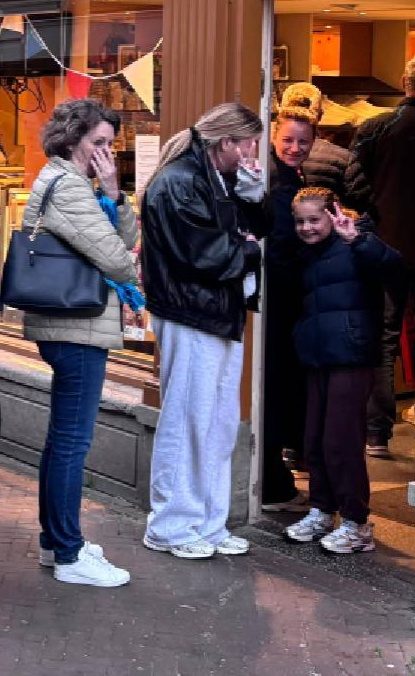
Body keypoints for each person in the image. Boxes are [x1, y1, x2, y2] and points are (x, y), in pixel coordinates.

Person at [19, 99, 141, 588]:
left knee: (63, 441)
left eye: (112, 145)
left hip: (75, 324)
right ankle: (68, 553)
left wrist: (115, 194)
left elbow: (124, 237)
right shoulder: (67, 186)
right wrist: (126, 252)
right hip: (75, 327)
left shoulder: (80, 183)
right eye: (98, 144)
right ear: (72, 140)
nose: (105, 155)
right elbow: (119, 258)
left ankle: (57, 542)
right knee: (72, 443)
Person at [139, 102, 267, 561]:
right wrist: (248, 250)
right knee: (189, 418)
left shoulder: (213, 179)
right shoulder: (181, 182)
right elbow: (204, 253)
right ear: (227, 142)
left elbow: (240, 236)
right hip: (191, 312)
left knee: (217, 421)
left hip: (214, 312)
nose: (253, 152)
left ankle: (207, 523)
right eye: (249, 142)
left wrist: (251, 200)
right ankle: (172, 524)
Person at [281, 188, 403, 555]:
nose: (306, 228)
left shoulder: (356, 243)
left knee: (342, 441)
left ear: (333, 216)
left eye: (314, 220)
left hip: (351, 354)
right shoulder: (306, 254)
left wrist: (359, 239)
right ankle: (321, 510)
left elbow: (396, 269)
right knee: (314, 439)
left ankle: (355, 523)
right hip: (319, 355)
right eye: (300, 221)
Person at [353, 52, 415, 455]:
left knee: (383, 337)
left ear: (406, 82)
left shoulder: (377, 126)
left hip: (385, 246)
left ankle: (376, 434)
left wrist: (373, 223)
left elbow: (354, 185)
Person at [256, 104, 322, 507]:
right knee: (276, 388)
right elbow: (280, 246)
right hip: (279, 302)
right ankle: (270, 477)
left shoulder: (293, 177)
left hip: (287, 301)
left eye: (303, 142)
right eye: (289, 140)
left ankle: (276, 471)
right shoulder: (274, 181)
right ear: (273, 140)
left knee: (282, 388)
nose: (295, 147)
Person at [278, 83, 369, 212]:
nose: (295, 149)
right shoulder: (345, 159)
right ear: (321, 114)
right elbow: (360, 210)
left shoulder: (262, 158)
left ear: (281, 112)